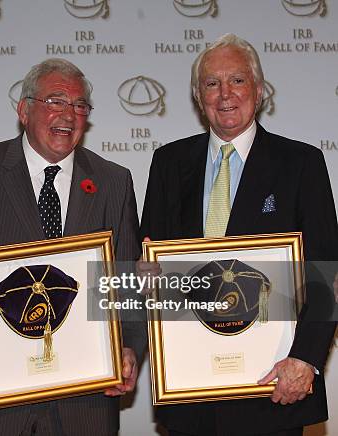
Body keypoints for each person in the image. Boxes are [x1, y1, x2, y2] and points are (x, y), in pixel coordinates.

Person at [0, 58, 145, 436]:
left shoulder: (113, 182)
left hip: (83, 404)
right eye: (55, 101)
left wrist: (129, 349)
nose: (68, 115)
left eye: (79, 106)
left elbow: (129, 287)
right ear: (24, 110)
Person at [141, 33, 338, 436]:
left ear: (259, 90)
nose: (225, 93)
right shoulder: (168, 163)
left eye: (237, 80)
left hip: (275, 387)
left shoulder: (301, 163)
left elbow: (326, 274)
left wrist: (305, 360)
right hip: (191, 392)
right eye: (212, 83)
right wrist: (143, 277)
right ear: (199, 96)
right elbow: (148, 262)